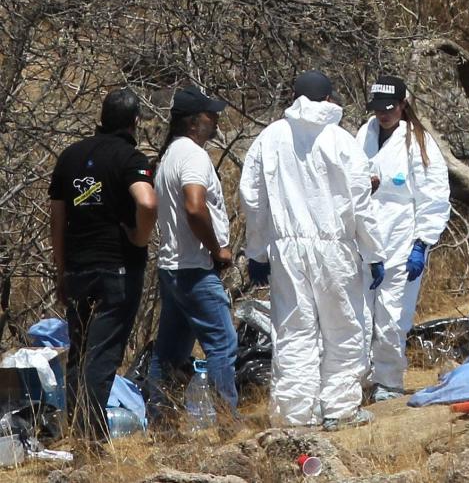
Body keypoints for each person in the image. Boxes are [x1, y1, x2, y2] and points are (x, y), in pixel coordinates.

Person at [240, 70, 386, 429]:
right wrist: (373, 251)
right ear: (328, 98)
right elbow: (360, 200)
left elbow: (252, 198)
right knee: (343, 328)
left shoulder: (269, 137)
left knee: (293, 331)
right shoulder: (339, 139)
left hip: (286, 251)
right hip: (335, 249)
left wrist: (257, 251)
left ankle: (295, 415)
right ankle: (340, 408)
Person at [48, 88, 157, 441]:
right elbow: (147, 202)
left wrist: (62, 268)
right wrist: (140, 238)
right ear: (134, 121)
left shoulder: (70, 157)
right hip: (118, 270)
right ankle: (92, 439)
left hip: (78, 268)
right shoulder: (130, 158)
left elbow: (57, 218)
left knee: (79, 352)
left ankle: (75, 431)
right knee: (103, 356)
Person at [355, 76, 451, 402]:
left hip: (401, 241)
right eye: (378, 109)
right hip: (364, 242)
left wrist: (422, 243)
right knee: (360, 318)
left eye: (390, 108)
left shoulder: (417, 143)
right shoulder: (363, 135)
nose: (383, 115)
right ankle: (361, 381)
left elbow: (433, 196)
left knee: (392, 317)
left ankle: (389, 381)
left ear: (402, 105)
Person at [146, 87, 237, 420]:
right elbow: (195, 207)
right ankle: (227, 421)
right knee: (222, 344)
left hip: (171, 267)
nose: (215, 120)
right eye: (209, 115)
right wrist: (218, 249)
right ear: (193, 122)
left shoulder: (169, 154)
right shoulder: (193, 155)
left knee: (167, 354)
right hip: (195, 268)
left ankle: (160, 422)